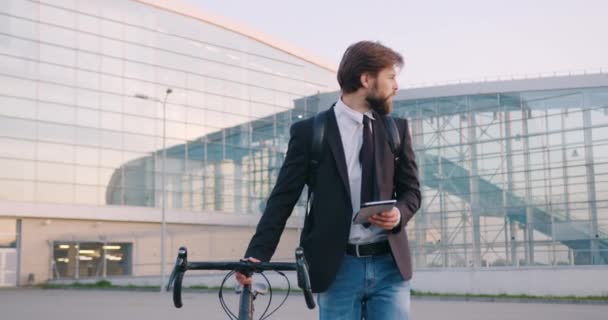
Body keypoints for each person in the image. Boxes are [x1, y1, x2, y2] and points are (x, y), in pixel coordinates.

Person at [236, 41, 421, 320]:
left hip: (389, 267)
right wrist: (257, 255)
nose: (396, 86)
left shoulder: (397, 130)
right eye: (391, 77)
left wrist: (398, 213)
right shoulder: (311, 133)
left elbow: (412, 192)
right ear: (366, 79)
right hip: (338, 268)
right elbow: (282, 199)